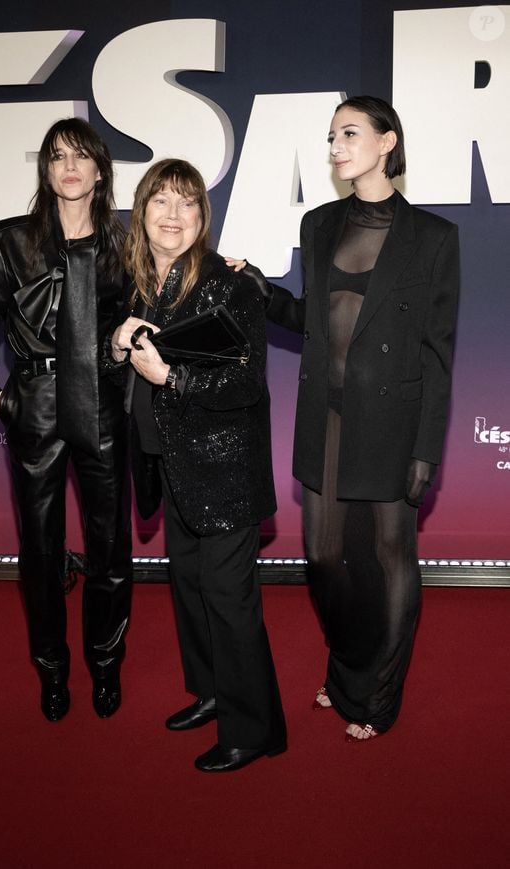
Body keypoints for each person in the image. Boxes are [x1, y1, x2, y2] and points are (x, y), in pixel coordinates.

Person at [231, 95, 459, 740]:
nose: (336, 144)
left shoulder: (435, 238)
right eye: (331, 134)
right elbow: (313, 318)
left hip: (393, 423)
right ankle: (348, 665)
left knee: (389, 557)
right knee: (326, 557)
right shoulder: (320, 223)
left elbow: (438, 351)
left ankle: (377, 695)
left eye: (350, 132)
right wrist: (261, 290)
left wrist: (426, 447)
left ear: (387, 142)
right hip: (326, 416)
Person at [0, 118, 133, 722]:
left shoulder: (123, 246)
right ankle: (52, 671)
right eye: (57, 157)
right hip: (37, 403)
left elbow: (157, 308)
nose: (70, 167)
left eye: (81, 156)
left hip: (103, 404)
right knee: (40, 552)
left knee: (108, 550)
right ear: (47, 172)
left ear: (100, 170)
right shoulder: (10, 240)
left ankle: (105, 667)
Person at [111, 158, 286, 772]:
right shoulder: (138, 283)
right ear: (142, 212)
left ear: (202, 218)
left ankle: (255, 728)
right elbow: (120, 368)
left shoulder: (225, 283)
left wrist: (169, 375)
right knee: (189, 589)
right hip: (170, 463)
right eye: (162, 201)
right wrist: (116, 345)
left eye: (188, 203)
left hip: (224, 469)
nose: (174, 215)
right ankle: (214, 693)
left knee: (228, 597)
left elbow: (246, 382)